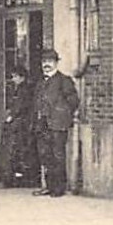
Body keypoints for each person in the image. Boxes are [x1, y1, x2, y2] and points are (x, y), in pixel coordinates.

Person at [33, 50, 79, 197]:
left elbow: (73, 101)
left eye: (50, 61)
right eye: (44, 62)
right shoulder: (40, 82)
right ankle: (48, 186)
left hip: (58, 125)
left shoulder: (64, 80)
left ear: (56, 63)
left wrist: (62, 114)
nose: (46, 64)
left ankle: (59, 188)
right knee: (45, 155)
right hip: (43, 124)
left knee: (58, 155)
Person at [0, 66, 39, 188]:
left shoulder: (23, 90)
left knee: (13, 151)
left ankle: (11, 178)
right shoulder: (20, 89)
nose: (13, 79)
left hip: (19, 126)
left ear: (22, 77)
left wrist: (11, 116)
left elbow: (20, 106)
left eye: (15, 76)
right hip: (20, 125)